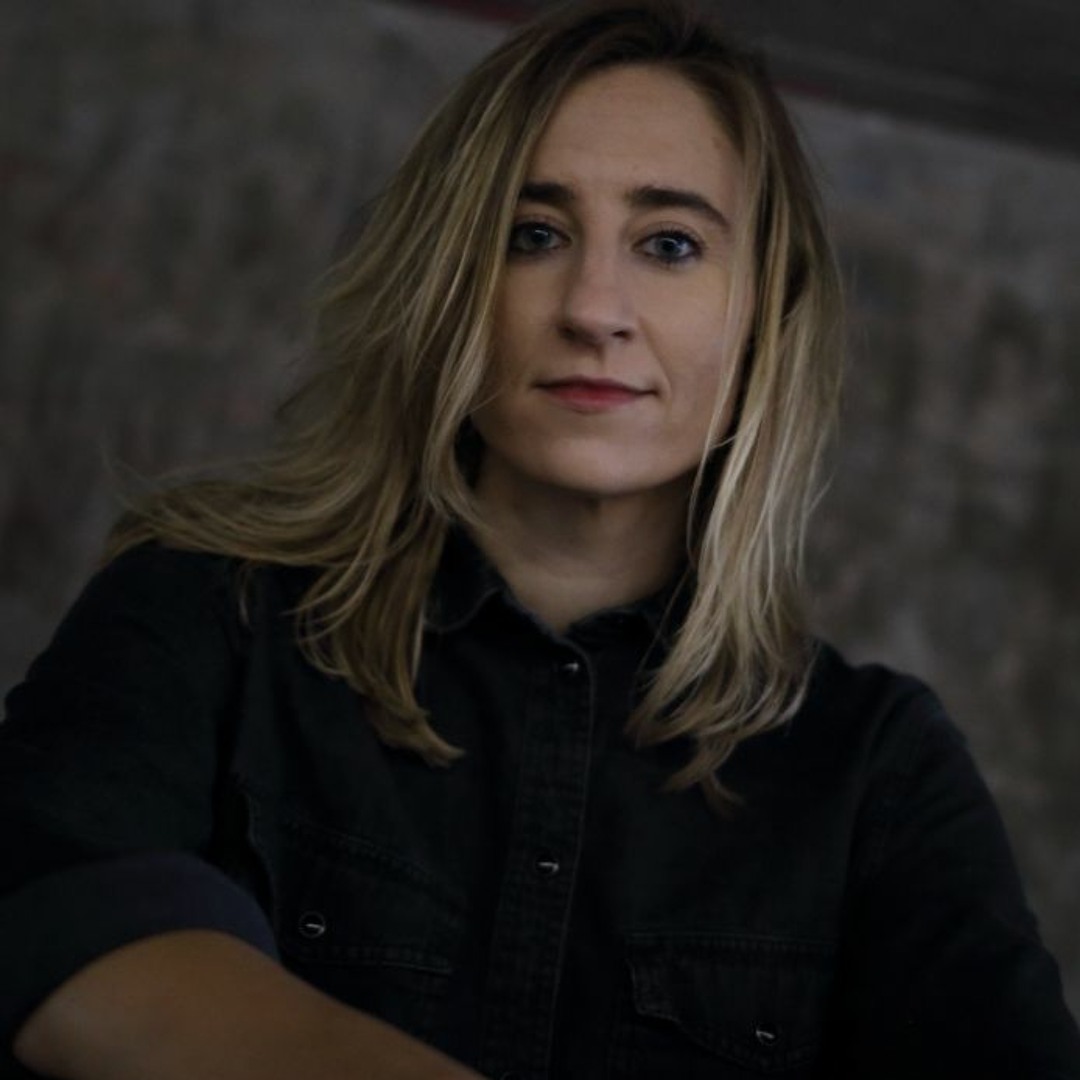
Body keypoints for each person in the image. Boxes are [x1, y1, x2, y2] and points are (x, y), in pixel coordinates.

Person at [2, 1, 1078, 1077]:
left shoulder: (878, 766)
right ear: (446, 281)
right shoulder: (208, 606)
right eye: (535, 235)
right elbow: (44, 918)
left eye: (670, 244)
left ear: (764, 314)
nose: (594, 309)